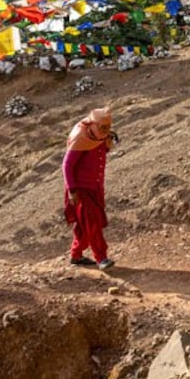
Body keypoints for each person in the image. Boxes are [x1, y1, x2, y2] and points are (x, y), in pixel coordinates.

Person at [62, 106, 117, 270]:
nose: (106, 131)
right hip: (80, 190)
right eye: (103, 128)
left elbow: (101, 152)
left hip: (95, 187)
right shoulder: (80, 138)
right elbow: (67, 165)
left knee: (85, 224)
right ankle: (101, 258)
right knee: (93, 222)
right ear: (94, 125)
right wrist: (72, 190)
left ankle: (76, 254)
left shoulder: (99, 136)